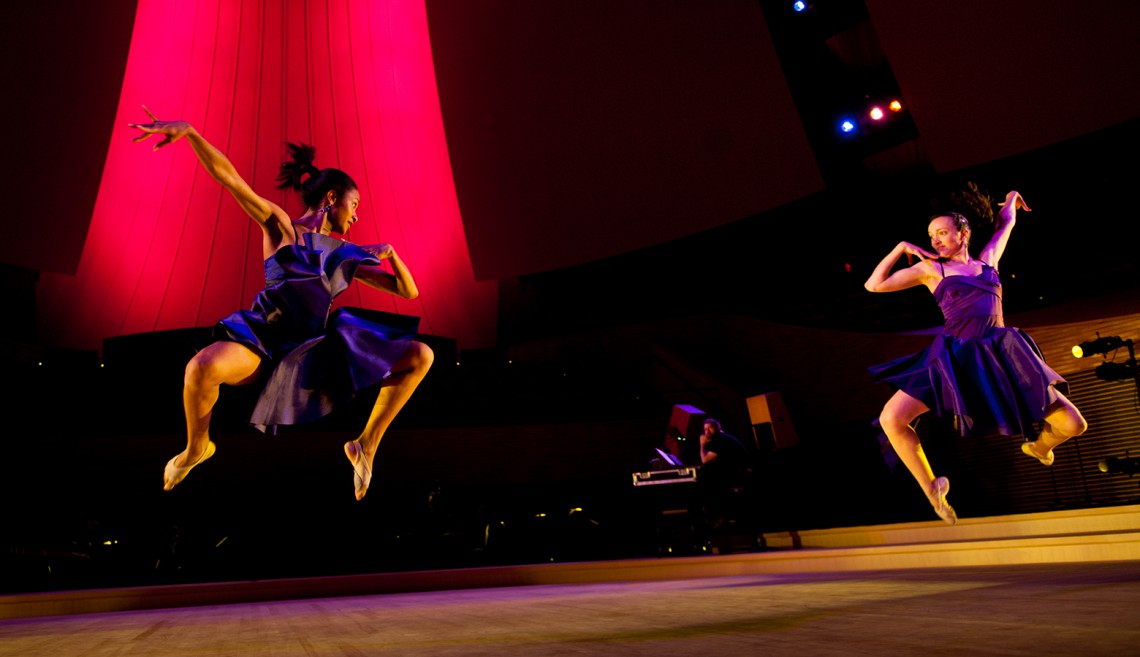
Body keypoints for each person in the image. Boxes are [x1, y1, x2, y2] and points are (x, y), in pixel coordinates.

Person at [129, 106, 435, 501]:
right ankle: (196, 448)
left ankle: (366, 444)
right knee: (200, 368)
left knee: (421, 355)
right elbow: (230, 179)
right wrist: (190, 133)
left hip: (313, 349)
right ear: (332, 198)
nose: (357, 217)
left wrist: (391, 254)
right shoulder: (281, 226)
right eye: (354, 205)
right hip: (264, 338)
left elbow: (407, 292)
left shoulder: (344, 253)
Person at [863, 184, 1087, 524]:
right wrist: (901, 247)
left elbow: (1005, 224)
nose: (935, 240)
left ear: (963, 233)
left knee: (1074, 424)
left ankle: (1038, 447)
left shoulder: (988, 263)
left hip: (1001, 355)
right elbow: (874, 285)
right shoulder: (931, 270)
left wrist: (1012, 198)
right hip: (955, 357)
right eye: (930, 235)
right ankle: (932, 489)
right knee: (891, 419)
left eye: (941, 233)